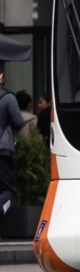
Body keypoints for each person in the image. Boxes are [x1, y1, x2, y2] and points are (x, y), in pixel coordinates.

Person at [0, 68, 26, 218]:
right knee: (8, 191)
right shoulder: (7, 97)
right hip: (3, 150)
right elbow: (19, 122)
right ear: (1, 76)